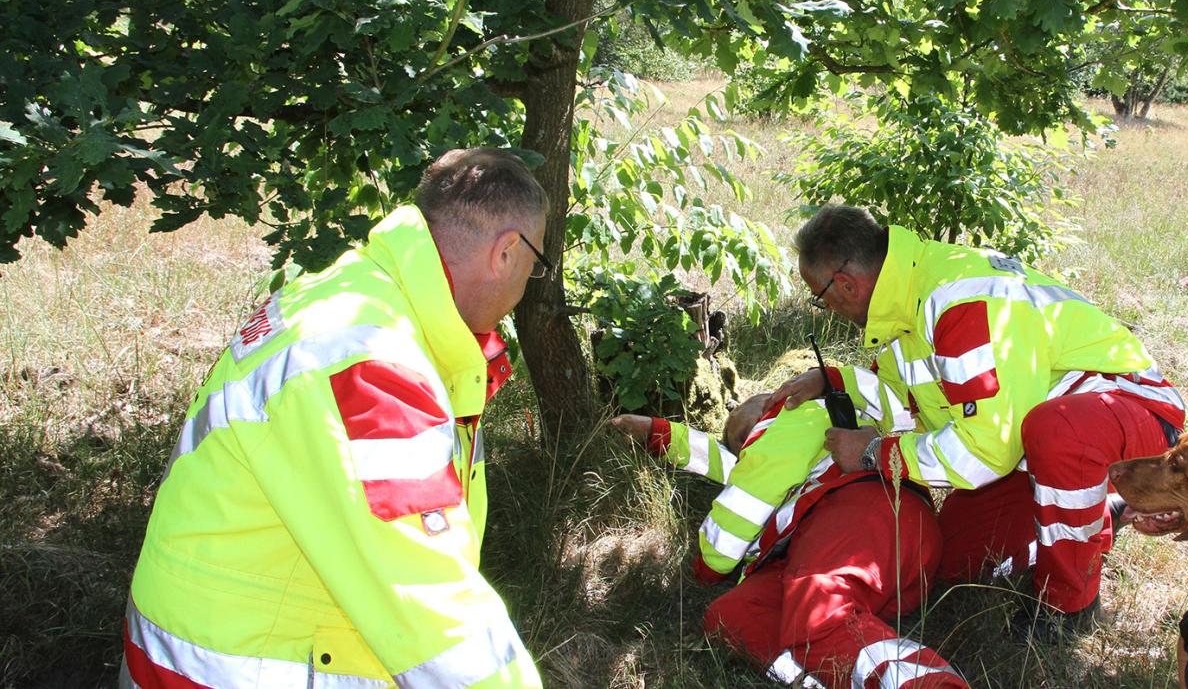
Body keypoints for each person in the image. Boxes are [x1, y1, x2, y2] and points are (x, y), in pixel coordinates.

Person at [121, 149, 550, 687]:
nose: (527, 286)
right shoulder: (371, 367)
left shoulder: (350, 296)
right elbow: (429, 602)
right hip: (231, 665)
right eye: (536, 267)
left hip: (219, 639)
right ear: (507, 252)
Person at [767, 206, 1188, 635]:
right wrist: (833, 381)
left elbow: (983, 452)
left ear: (845, 284)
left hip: (1131, 410)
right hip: (1030, 452)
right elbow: (900, 401)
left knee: (1057, 428)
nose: (826, 308)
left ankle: (1070, 604)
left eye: (819, 298)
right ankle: (1099, 513)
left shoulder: (956, 300)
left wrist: (876, 454)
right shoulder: (901, 308)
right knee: (952, 559)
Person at [611, 388, 967, 688]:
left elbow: (746, 489)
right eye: (739, 447)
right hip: (884, 558)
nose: (742, 449)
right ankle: (818, 678)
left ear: (771, 406)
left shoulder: (796, 416)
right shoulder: (777, 456)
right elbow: (728, 464)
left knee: (820, 615)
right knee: (729, 614)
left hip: (865, 511)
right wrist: (656, 432)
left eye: (742, 436)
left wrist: (706, 569)